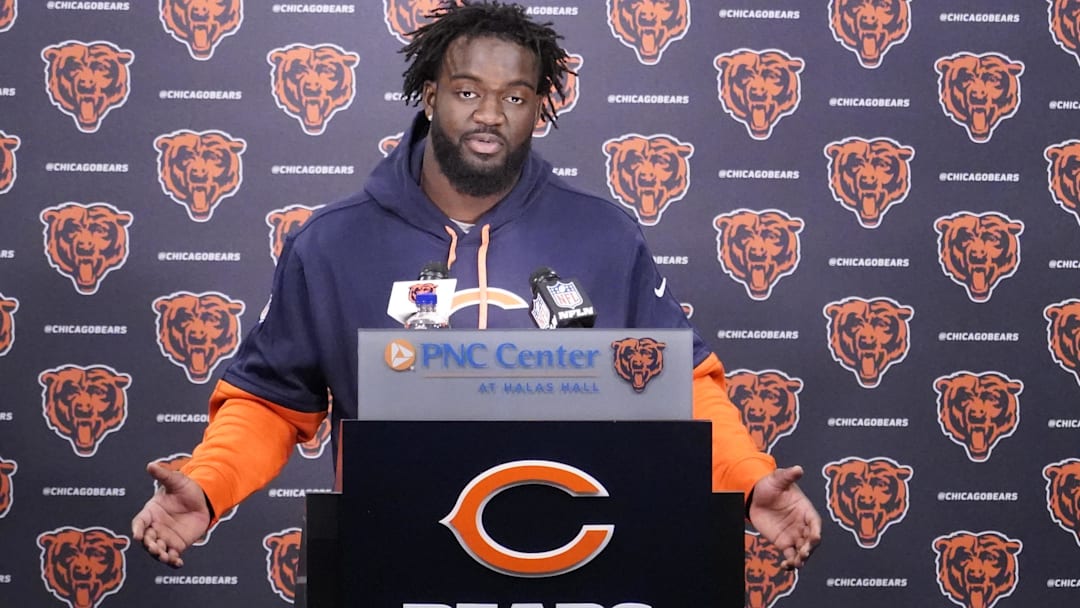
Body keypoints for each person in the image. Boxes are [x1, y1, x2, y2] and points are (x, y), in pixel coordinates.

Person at [132, 0, 821, 572]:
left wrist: (745, 481)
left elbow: (678, 385)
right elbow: (270, 402)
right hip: (393, 561)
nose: (490, 114)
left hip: (578, 557)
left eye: (515, 97)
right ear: (430, 96)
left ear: (538, 111)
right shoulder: (334, 243)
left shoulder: (604, 237)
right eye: (467, 92)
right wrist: (209, 485)